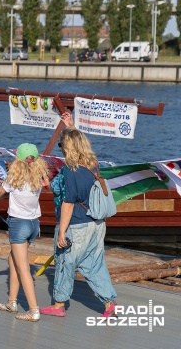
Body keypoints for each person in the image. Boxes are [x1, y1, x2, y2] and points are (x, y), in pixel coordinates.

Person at [40, 112, 118, 318]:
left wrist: (62, 232)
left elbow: (68, 203)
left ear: (68, 147)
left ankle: (58, 305)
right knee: (95, 263)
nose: (61, 150)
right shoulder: (93, 164)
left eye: (62, 146)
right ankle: (109, 301)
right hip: (97, 223)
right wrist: (71, 126)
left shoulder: (72, 170)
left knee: (65, 263)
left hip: (77, 224)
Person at [0, 143, 50, 322]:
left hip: (19, 224)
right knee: (13, 259)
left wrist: (3, 185)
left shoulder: (14, 179)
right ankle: (12, 302)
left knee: (23, 267)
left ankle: (33, 310)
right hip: (34, 225)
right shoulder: (38, 177)